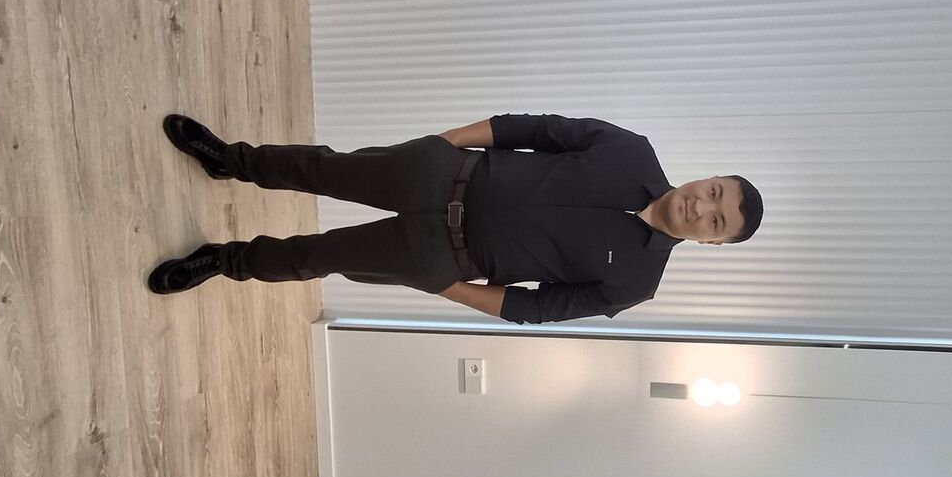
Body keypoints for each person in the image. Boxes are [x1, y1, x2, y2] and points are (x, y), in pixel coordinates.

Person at [149, 113, 763, 324]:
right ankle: (229, 160)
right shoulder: (631, 151)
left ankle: (222, 261)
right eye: (714, 193)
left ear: (711, 242)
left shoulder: (636, 282)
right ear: (707, 178)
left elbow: (534, 308)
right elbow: (533, 130)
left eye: (716, 221)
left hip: (445, 257)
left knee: (319, 256)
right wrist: (443, 145)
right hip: (442, 173)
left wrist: (448, 286)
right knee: (323, 168)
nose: (702, 207)